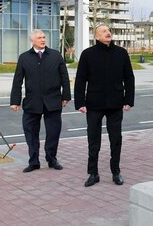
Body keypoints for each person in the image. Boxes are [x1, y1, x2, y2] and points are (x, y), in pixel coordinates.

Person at [75, 25, 135, 187]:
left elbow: (129, 77)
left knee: (116, 139)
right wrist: (80, 102)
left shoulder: (121, 53)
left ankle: (116, 171)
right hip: (94, 103)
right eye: (103, 31)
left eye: (109, 31)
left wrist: (129, 99)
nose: (108, 33)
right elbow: (80, 79)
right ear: (96, 36)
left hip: (116, 103)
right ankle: (93, 173)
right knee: (93, 140)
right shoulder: (88, 54)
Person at [10, 29, 71, 172]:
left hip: (53, 101)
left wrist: (66, 96)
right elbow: (17, 81)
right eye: (39, 38)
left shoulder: (55, 56)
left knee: (53, 133)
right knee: (30, 133)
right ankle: (34, 162)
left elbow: (65, 78)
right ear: (32, 40)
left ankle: (52, 159)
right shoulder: (24, 57)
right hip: (32, 102)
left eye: (44, 37)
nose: (43, 40)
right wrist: (15, 101)